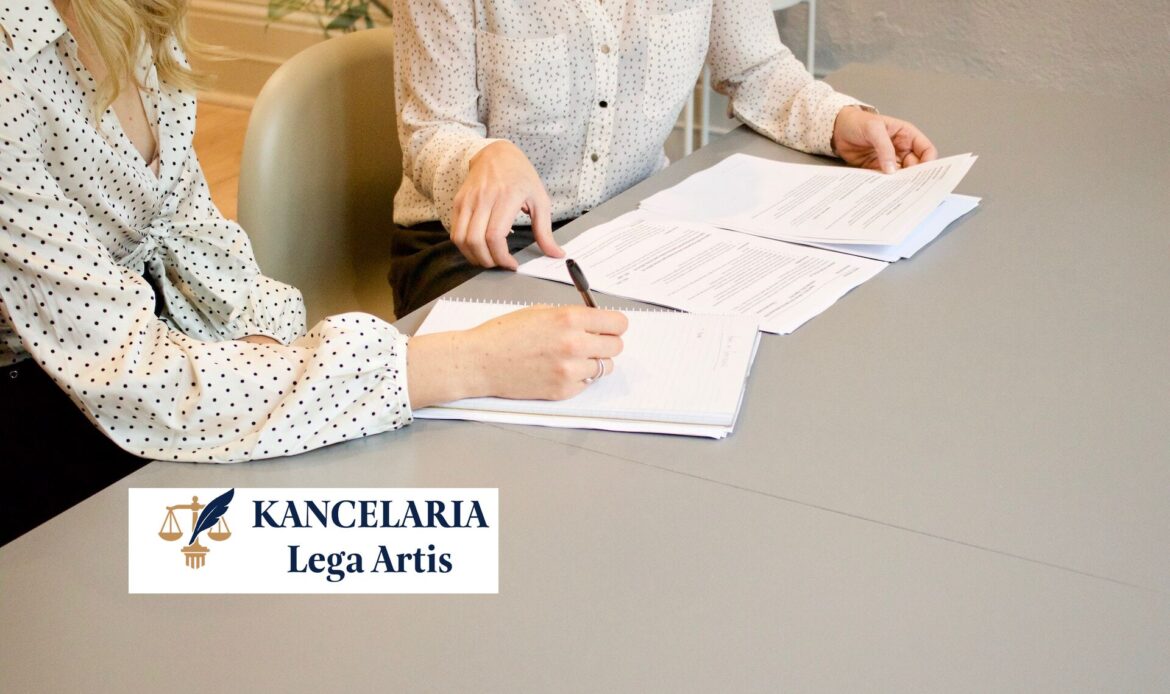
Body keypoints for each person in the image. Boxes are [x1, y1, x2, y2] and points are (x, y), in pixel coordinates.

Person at [0, 0, 628, 545]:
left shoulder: (136, 17)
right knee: (401, 552)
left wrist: (271, 352)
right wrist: (468, 363)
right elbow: (133, 374)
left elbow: (196, 242)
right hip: (50, 422)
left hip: (160, 369)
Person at [388, 0, 940, 315]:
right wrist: (484, 157)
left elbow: (757, 69)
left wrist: (839, 121)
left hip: (630, 227)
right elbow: (431, 128)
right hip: (473, 244)